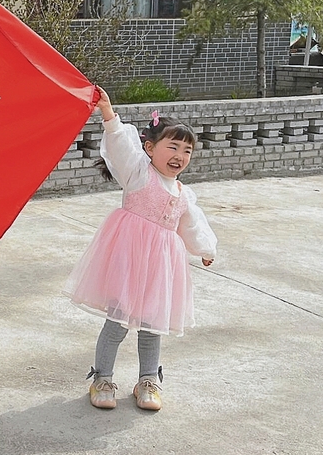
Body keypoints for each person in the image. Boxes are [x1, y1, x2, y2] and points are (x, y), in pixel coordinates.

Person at [64, 87, 216, 412]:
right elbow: (119, 145)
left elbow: (192, 224)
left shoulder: (182, 193)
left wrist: (204, 248)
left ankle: (149, 380)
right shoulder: (137, 173)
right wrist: (108, 113)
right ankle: (101, 378)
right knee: (117, 322)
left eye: (187, 151)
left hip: (160, 265)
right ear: (150, 147)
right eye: (172, 146)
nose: (180, 156)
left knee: (151, 325)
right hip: (128, 257)